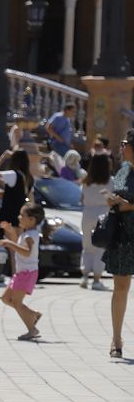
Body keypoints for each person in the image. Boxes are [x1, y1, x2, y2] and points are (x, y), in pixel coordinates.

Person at [0, 203, 45, 341]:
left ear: (32, 219)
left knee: (17, 303)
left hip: (26, 273)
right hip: (21, 272)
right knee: (6, 298)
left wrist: (9, 244)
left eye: (22, 215)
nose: (19, 217)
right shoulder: (26, 234)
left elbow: (26, 252)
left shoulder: (30, 235)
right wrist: (10, 231)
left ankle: (32, 329)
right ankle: (33, 314)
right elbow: (18, 244)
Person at [106, 131, 134, 358]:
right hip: (123, 236)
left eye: (125, 144)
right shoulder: (123, 169)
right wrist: (113, 201)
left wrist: (129, 206)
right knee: (120, 288)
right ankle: (116, 338)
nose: (121, 147)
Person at [82, 152, 114, 290]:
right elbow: (112, 199)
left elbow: (82, 198)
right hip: (102, 214)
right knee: (100, 247)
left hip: (87, 213)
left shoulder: (86, 182)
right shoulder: (110, 181)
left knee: (87, 246)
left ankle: (84, 276)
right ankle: (96, 279)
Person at [0, 148, 33, 229]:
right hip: (21, 216)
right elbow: (30, 197)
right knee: (18, 240)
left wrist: (3, 157)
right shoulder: (29, 177)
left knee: (9, 240)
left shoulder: (13, 174)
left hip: (8, 216)